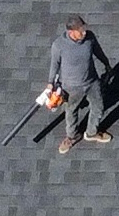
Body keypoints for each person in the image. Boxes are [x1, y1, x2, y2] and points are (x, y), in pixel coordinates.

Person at [47, 15, 113, 156]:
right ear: (71, 32)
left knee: (98, 107)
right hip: (72, 87)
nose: (84, 33)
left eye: (84, 29)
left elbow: (98, 51)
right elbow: (54, 65)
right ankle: (71, 137)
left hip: (92, 82)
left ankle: (91, 132)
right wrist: (50, 83)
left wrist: (106, 64)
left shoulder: (89, 38)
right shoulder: (59, 45)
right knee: (71, 111)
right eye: (81, 31)